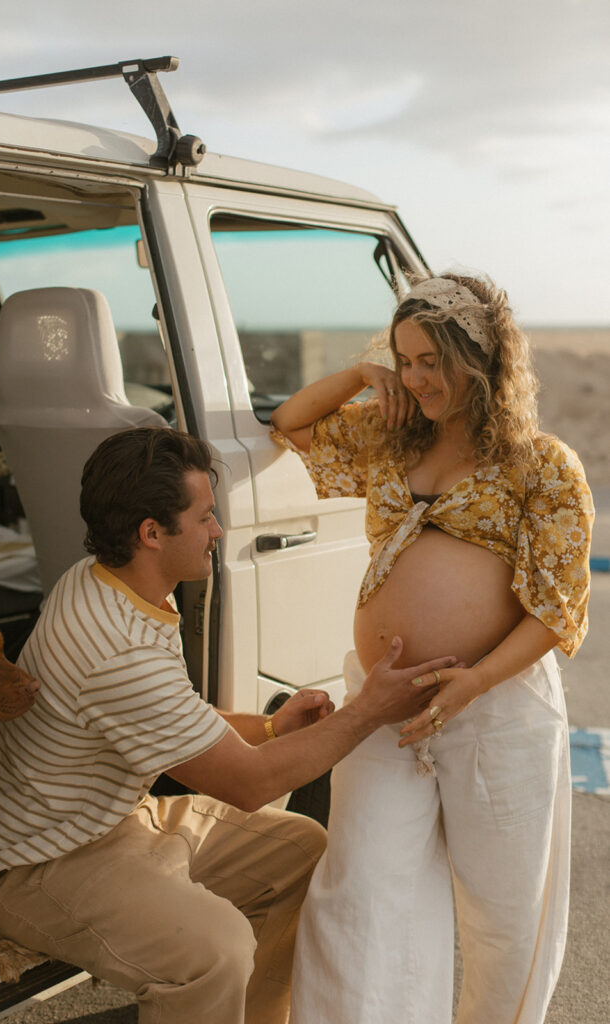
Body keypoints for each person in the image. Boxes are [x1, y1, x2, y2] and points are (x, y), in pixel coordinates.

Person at [0, 425, 456, 1024]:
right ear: (151, 534)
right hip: (40, 864)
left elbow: (179, 719)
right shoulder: (116, 650)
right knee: (216, 950)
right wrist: (369, 710)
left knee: (303, 853)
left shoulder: (108, 580)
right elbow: (247, 784)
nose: (219, 531)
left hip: (115, 822)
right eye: (204, 517)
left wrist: (276, 729)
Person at [271, 273, 594, 1024]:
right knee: (360, 889)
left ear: (479, 362)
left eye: (430, 362)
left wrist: (474, 681)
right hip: (381, 705)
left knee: (504, 911)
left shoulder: (542, 464)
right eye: (404, 359)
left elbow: (556, 609)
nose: (415, 379)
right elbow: (291, 423)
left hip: (496, 705)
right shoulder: (387, 435)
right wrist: (361, 374)